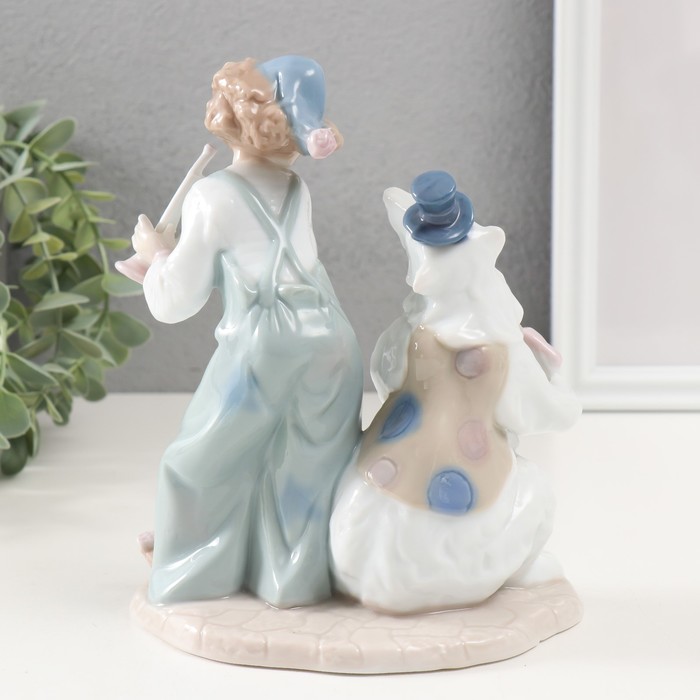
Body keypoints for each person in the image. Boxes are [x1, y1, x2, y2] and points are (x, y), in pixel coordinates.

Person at [129, 56, 363, 608]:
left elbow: (175, 301)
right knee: (303, 467)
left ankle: (192, 570)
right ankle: (294, 581)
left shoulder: (211, 195)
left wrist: (155, 256)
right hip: (332, 339)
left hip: (266, 345)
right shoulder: (297, 190)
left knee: (198, 461)